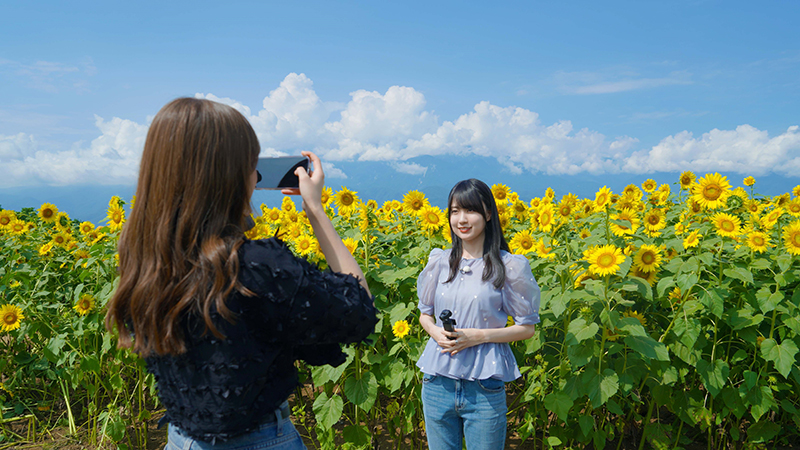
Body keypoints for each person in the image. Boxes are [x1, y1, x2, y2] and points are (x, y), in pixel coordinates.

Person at [105, 98, 377, 449]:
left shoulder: (144, 262)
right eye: (252, 164)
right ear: (228, 176)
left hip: (180, 441)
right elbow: (359, 309)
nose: (256, 175)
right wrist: (316, 211)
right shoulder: (256, 267)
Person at [416, 178, 541, 450]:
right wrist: (435, 331)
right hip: (437, 382)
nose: (461, 219)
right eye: (454, 211)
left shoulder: (509, 266)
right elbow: (425, 314)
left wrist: (478, 336)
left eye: (470, 210)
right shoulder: (440, 262)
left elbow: (527, 327)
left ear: (487, 213)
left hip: (484, 386)